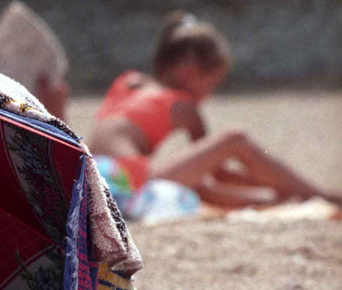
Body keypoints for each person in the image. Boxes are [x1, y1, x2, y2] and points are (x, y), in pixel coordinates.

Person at [88, 12, 340, 214]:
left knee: (197, 182)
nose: (209, 93)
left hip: (94, 179)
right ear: (190, 72)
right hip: (127, 183)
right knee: (235, 140)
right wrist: (271, 183)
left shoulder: (130, 81)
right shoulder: (183, 105)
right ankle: (315, 195)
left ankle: (290, 196)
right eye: (212, 83)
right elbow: (216, 175)